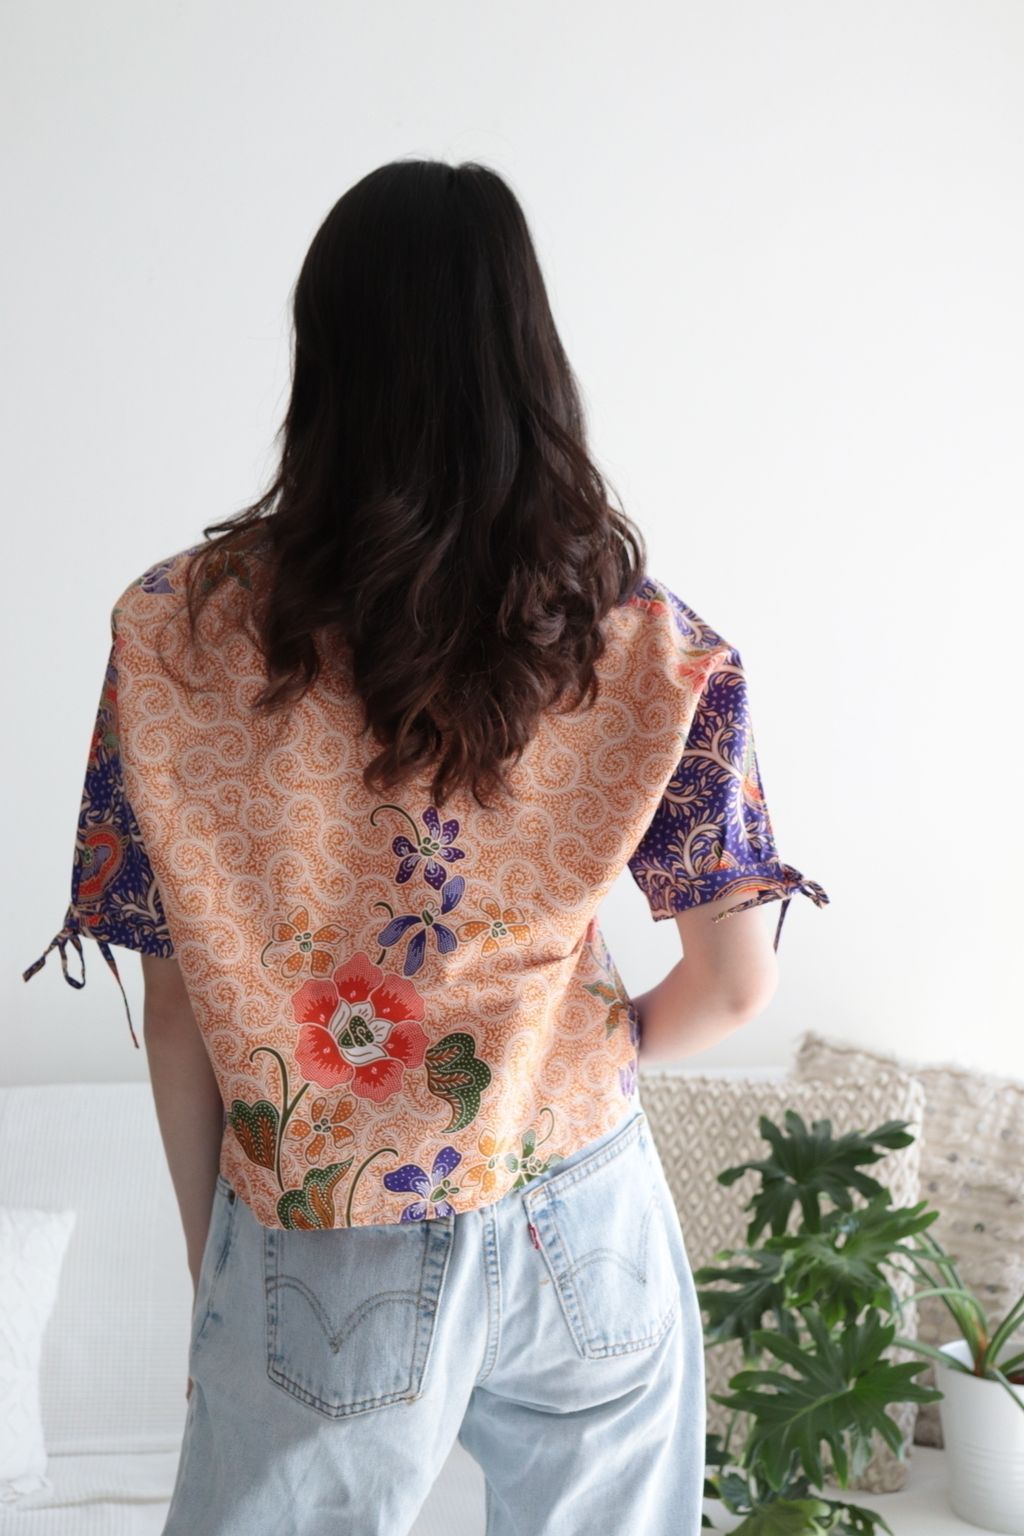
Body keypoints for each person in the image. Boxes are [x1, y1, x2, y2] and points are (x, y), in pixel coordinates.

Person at [23, 159, 828, 1536]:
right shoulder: (645, 642)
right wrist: (561, 1062)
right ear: (531, 359)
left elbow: (178, 1005)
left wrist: (217, 1270)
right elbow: (736, 987)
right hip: (589, 1210)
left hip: (325, 1232)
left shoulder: (174, 636)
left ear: (322, 356)